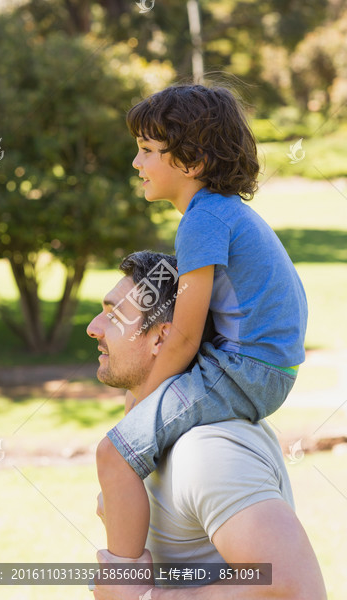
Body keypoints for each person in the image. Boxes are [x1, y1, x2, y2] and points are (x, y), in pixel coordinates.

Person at [96, 84, 308, 561]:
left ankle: (124, 582)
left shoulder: (202, 221)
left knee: (114, 454)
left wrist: (137, 414)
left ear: (190, 163)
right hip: (256, 367)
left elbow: (185, 336)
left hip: (245, 371)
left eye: (148, 151)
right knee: (135, 418)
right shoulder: (223, 213)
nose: (137, 163)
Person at [87, 250, 326, 600]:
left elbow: (292, 589)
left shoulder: (207, 451)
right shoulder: (146, 435)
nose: (94, 327)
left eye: (114, 315)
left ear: (160, 338)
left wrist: (144, 597)